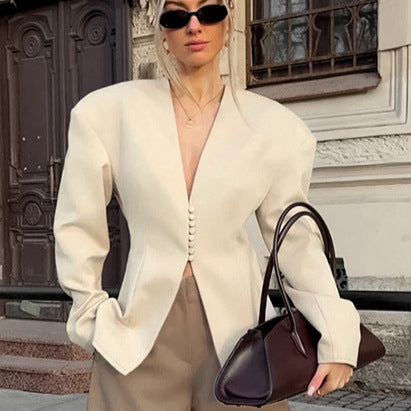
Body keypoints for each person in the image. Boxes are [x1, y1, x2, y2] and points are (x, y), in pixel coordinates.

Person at [53, 0, 361, 410]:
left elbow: (295, 241)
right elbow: (77, 224)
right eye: (177, 15)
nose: (194, 25)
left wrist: (336, 333)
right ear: (162, 30)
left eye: (208, 11)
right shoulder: (107, 114)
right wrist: (90, 314)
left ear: (228, 20)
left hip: (240, 343)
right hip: (136, 337)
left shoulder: (274, 128)